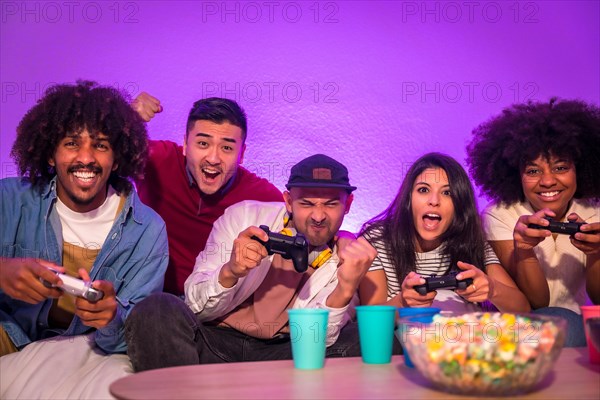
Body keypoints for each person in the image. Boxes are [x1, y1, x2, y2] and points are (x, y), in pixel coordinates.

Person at [125, 154, 377, 371]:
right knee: (156, 308)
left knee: (370, 337)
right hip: (216, 341)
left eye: (331, 204)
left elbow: (318, 342)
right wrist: (230, 272)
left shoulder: (352, 255)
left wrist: (345, 289)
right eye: (307, 204)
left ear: (348, 205)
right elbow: (194, 305)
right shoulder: (244, 215)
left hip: (286, 355)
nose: (319, 216)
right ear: (288, 201)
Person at [0, 81, 169, 356]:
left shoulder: (147, 232)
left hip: (87, 353)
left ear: (116, 159)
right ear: (51, 155)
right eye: (71, 143)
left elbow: (140, 335)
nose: (86, 158)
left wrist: (111, 319)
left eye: (101, 145)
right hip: (8, 334)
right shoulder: (8, 200)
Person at [466, 98, 600, 346]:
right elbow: (536, 305)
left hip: (580, 327)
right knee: (557, 320)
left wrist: (595, 253)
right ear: (516, 175)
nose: (548, 181)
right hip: (521, 329)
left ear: (579, 170)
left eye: (560, 167)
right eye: (533, 171)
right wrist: (524, 251)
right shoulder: (500, 215)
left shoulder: (595, 214)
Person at [131, 93, 283, 296]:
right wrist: (127, 118)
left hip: (216, 308)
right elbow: (95, 154)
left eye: (227, 148)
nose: (213, 158)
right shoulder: (157, 160)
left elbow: (308, 220)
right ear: (185, 144)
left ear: (242, 154)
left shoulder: (260, 196)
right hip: (144, 296)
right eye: (203, 144)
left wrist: (341, 238)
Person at [358, 152, 530, 314]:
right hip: (403, 339)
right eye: (423, 190)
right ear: (408, 198)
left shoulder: (470, 239)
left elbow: (524, 309)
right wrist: (403, 301)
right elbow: (372, 321)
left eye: (447, 193)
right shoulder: (377, 240)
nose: (434, 201)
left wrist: (492, 289)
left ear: (459, 204)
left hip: (465, 338)